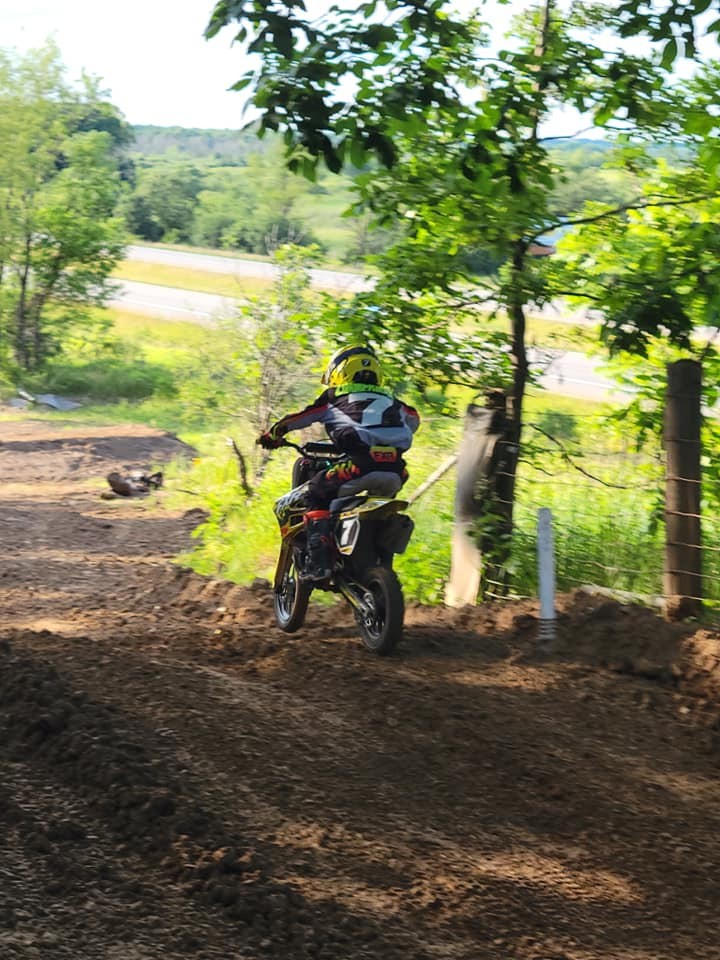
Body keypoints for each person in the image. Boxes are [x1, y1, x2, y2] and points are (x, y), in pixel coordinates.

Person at [258, 344, 420, 579]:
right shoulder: (394, 401)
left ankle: (320, 561)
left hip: (358, 466)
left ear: (340, 372)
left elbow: (299, 418)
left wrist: (273, 434)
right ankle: (375, 554)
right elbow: (414, 419)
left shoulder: (334, 397)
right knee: (381, 508)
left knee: (316, 493)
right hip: (396, 470)